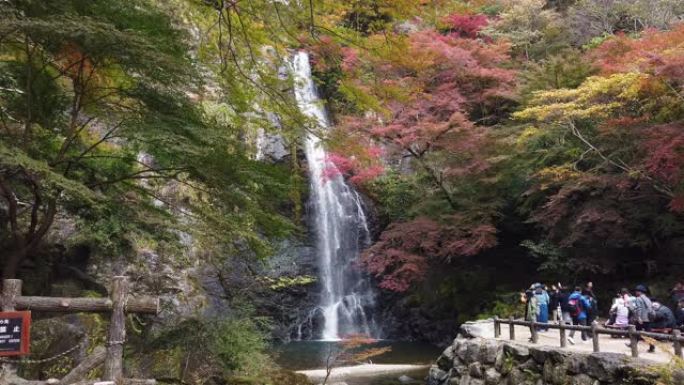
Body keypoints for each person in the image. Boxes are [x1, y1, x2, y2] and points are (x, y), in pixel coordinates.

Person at [628, 285, 656, 353]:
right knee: (648, 333)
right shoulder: (648, 299)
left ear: (639, 292)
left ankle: (632, 344)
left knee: (636, 332)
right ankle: (652, 346)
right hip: (648, 319)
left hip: (641, 319)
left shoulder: (638, 298)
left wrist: (638, 318)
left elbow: (639, 309)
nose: (635, 292)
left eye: (636, 291)